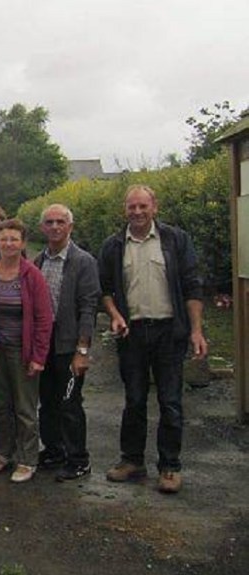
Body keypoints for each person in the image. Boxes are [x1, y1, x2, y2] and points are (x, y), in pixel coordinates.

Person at [99, 185, 208, 494]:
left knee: (170, 402)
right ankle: (132, 461)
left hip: (169, 334)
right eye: (131, 207)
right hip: (131, 333)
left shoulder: (175, 240)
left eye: (142, 206)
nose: (137, 212)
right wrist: (114, 314)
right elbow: (104, 289)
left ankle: (170, 467)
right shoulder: (114, 245)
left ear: (154, 207)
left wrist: (196, 330)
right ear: (125, 210)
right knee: (134, 400)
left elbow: (192, 286)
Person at [34, 204, 101, 481]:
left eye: (60, 222)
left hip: (68, 345)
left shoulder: (83, 261)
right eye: (49, 222)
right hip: (43, 345)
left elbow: (89, 307)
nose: (54, 227)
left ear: (70, 227)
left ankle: (78, 458)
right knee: (47, 402)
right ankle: (54, 451)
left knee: (70, 403)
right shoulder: (38, 261)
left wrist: (82, 350)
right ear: (42, 228)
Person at [0, 219, 53, 483]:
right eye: (4, 239)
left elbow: (43, 319)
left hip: (21, 351)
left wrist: (38, 357)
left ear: (23, 243)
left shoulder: (31, 274)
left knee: (25, 408)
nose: (8, 244)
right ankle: (2, 453)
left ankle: (27, 459)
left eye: (14, 239)